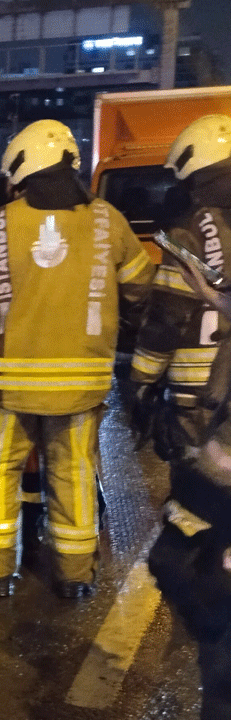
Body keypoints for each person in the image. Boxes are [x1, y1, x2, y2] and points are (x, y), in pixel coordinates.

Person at [0, 120, 154, 598]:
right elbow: (141, 285)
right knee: (74, 473)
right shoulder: (108, 219)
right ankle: (75, 575)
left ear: (23, 166)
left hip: (6, 383)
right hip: (82, 381)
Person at [141, 114, 231, 720]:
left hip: (205, 411)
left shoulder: (188, 236)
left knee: (184, 553)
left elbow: (166, 320)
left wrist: (143, 388)